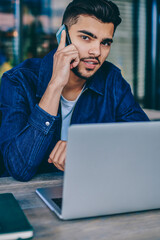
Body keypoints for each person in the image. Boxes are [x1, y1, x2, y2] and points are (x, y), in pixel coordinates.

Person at [0, 0, 149, 181]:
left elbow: (143, 145)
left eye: (105, 43)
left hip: (90, 187)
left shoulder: (112, 80)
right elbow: (19, 168)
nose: (96, 51)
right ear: (63, 36)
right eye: (86, 37)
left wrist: (85, 149)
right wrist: (55, 85)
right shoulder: (18, 81)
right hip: (28, 197)